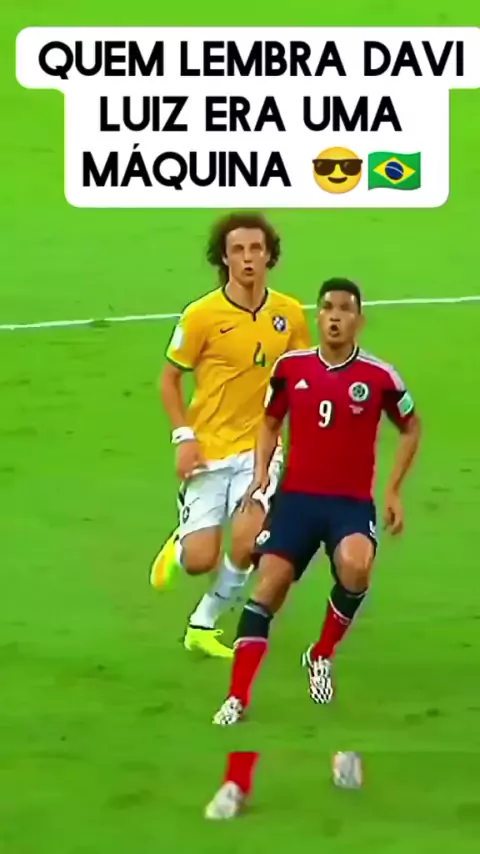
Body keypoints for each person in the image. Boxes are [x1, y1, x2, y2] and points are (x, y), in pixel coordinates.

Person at [213, 278, 421, 723]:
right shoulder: (291, 369)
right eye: (328, 308)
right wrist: (261, 474)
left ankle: (321, 653)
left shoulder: (380, 377)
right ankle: (237, 698)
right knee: (268, 587)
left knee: (356, 567)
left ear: (359, 320)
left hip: (349, 504)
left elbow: (411, 427)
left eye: (345, 309)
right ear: (318, 315)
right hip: (296, 501)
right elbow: (269, 422)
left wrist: (393, 489)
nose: (335, 317)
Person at [150, 212, 311, 658]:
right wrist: (183, 437)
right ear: (224, 258)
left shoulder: (289, 314)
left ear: (269, 255)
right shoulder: (201, 315)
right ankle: (182, 544)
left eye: (256, 249)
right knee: (200, 558)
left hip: (260, 449)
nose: (248, 258)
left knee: (249, 542)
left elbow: (301, 379)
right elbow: (169, 379)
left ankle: (202, 624)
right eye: (238, 250)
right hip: (207, 448)